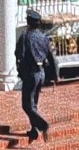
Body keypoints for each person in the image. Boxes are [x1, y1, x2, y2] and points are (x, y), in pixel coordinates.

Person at [14, 9, 57, 143]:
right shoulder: (43, 38)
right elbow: (51, 57)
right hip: (41, 74)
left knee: (26, 105)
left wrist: (20, 71)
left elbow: (18, 54)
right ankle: (34, 130)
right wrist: (55, 75)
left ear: (28, 23)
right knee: (34, 103)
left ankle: (42, 125)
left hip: (31, 74)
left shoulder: (25, 37)